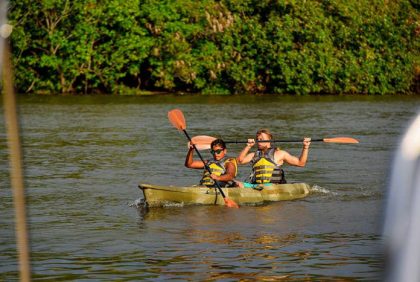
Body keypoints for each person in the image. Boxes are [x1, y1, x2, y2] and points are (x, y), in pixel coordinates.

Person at [235, 129, 311, 188]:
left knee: (264, 187)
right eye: (258, 140)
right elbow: (239, 161)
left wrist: (305, 147)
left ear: (269, 140)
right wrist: (248, 146)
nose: (259, 142)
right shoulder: (253, 155)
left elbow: (301, 163)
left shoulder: (280, 153)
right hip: (256, 186)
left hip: (273, 186)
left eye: (262, 139)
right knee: (237, 184)